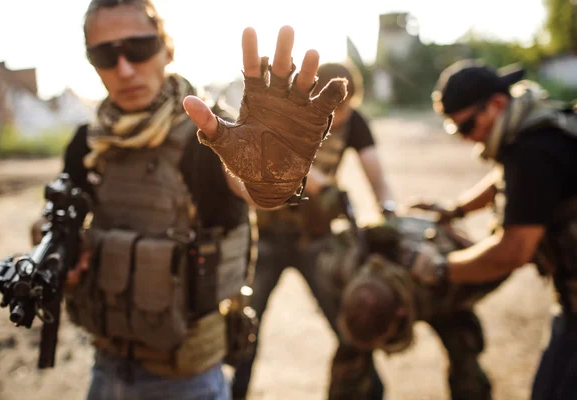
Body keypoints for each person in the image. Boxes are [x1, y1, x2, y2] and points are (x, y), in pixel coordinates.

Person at [32, 1, 347, 399]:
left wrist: (271, 181)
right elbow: (60, 219)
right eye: (105, 54)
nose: (125, 68)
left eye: (140, 48)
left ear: (167, 48)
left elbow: (247, 185)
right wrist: (61, 250)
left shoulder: (216, 134)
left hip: (189, 379)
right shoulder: (87, 143)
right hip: (105, 367)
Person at [408, 59, 577, 400]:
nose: (466, 139)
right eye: (456, 131)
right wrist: (455, 210)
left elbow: (513, 250)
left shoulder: (531, 152)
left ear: (497, 104)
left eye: (468, 126)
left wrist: (441, 269)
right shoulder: (541, 125)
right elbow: (507, 183)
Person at [231, 61, 395, 400]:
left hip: (314, 239)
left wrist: (390, 214)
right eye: (333, 108)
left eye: (345, 109)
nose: (339, 117)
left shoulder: (354, 123)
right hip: (267, 237)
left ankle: (365, 391)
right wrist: (322, 185)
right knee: (245, 326)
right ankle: (231, 392)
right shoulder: (289, 111)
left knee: (349, 321)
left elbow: (376, 173)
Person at [334, 214, 505, 400]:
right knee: (350, 360)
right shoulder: (348, 261)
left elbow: (502, 259)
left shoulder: (443, 279)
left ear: (400, 313)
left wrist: (457, 224)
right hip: (416, 287)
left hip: (442, 297)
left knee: (466, 361)